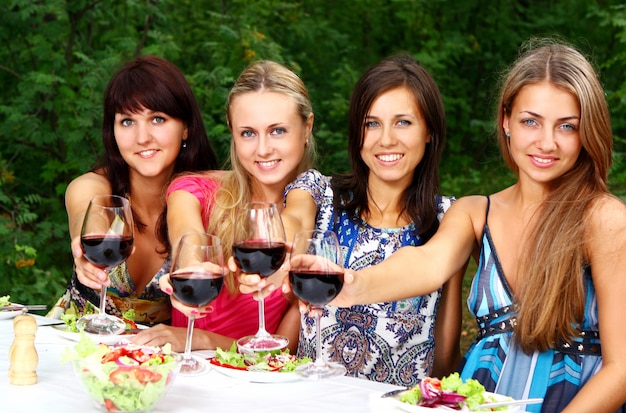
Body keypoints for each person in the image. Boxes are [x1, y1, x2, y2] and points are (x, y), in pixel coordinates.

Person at [294, 40, 626, 412]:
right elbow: (424, 264)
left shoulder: (603, 218)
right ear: (506, 121)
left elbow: (622, 368)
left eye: (567, 126)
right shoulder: (475, 212)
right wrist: (351, 286)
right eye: (530, 121)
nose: (546, 142)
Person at [244, 54, 463, 386]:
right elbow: (293, 222)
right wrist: (276, 256)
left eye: (403, 122)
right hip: (309, 400)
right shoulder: (320, 193)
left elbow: (446, 341)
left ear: (429, 130)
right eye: (371, 123)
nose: (386, 139)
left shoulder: (450, 218)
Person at [133, 60, 314, 352]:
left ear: (307, 127)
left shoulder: (318, 215)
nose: (263, 148)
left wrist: (201, 340)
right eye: (248, 133)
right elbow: (187, 237)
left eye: (278, 131)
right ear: (232, 131)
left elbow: (281, 353)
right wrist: (191, 267)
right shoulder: (193, 189)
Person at [48, 56, 218, 325]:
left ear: (186, 128)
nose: (142, 137)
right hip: (70, 346)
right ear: (112, 131)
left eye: (158, 119)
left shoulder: (209, 200)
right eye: (127, 121)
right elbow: (87, 214)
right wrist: (87, 246)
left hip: (154, 362)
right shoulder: (93, 186)